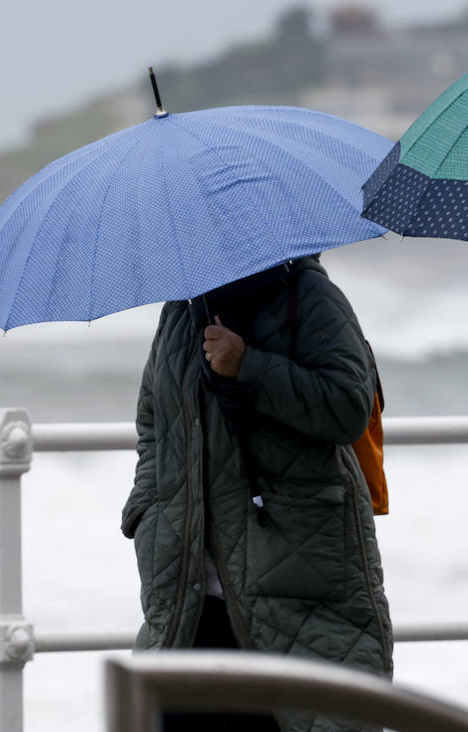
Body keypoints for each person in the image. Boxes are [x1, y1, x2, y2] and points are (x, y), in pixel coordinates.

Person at [121, 255, 392, 732]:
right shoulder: (183, 309)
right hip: (190, 592)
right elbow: (152, 422)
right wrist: (150, 508)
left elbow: (349, 405)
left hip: (294, 576)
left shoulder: (309, 295)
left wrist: (249, 366)